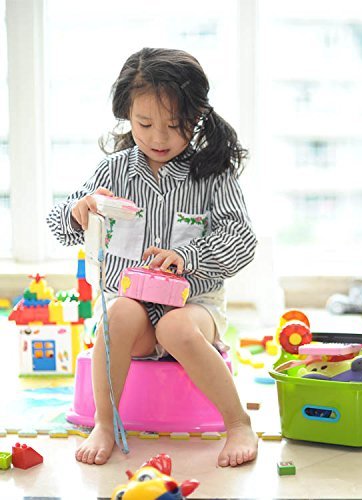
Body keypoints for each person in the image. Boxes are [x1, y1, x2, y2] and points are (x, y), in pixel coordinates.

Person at [46, 48, 258, 467]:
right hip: (131, 308)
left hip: (195, 306)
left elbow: (242, 239)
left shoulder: (213, 174)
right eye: (145, 124)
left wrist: (187, 255)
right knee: (119, 316)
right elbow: (58, 223)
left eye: (175, 126)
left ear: (197, 118)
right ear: (127, 115)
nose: (159, 138)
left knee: (176, 328)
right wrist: (79, 210)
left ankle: (238, 423)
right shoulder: (114, 171)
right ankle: (105, 423)